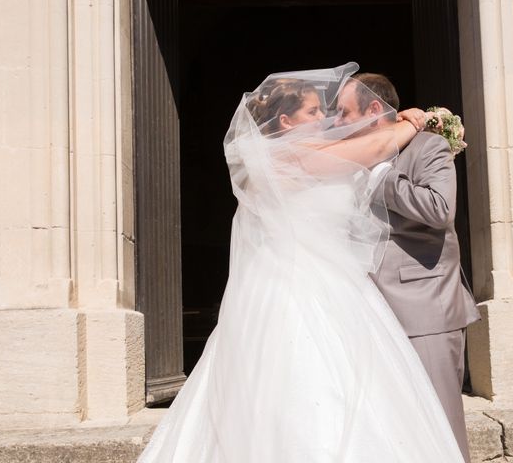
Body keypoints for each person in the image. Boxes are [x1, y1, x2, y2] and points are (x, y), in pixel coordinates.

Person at [137, 63, 464, 462]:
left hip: (341, 291)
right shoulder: (284, 158)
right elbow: (373, 150)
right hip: (294, 293)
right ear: (286, 121)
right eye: (313, 112)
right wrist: (413, 122)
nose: (325, 117)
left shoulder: (315, 152)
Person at [335, 73, 481, 462]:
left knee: (439, 426)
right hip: (368, 315)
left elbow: (439, 209)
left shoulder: (428, 148)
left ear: (373, 110)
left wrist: (380, 174)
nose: (337, 122)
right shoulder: (348, 159)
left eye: (344, 112)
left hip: (425, 311)